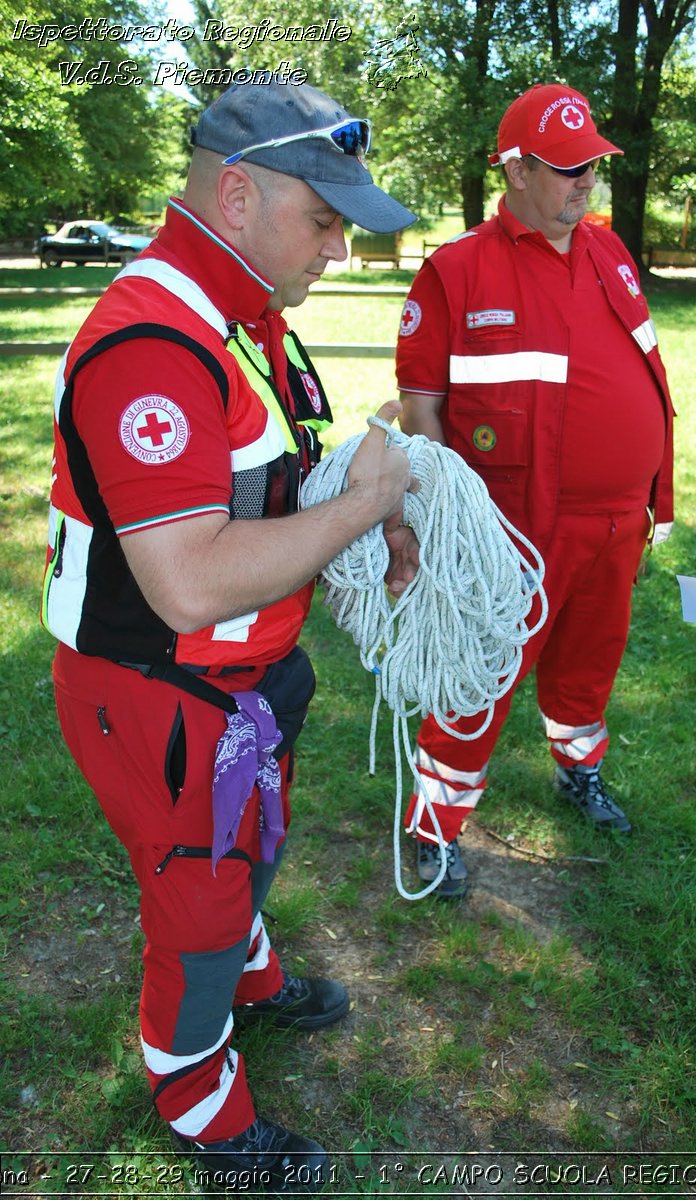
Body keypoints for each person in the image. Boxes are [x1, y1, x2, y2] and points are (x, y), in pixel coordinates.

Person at [42, 80, 418, 1190]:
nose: (339, 249)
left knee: (245, 853)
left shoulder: (243, 317)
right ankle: (198, 1098)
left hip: (239, 684)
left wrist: (371, 505)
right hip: (163, 690)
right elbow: (190, 581)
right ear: (240, 194)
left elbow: (266, 485)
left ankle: (247, 981)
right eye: (325, 218)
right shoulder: (152, 341)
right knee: (197, 896)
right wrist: (357, 506)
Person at [395, 83, 674, 899]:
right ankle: (433, 827)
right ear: (514, 170)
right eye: (565, 166)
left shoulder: (610, 251)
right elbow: (422, 414)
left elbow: (645, 374)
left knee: (591, 665)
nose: (585, 179)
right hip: (515, 535)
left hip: (615, 523)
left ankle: (578, 770)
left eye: (592, 162)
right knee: (479, 678)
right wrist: (438, 530)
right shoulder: (456, 271)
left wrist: (652, 492)